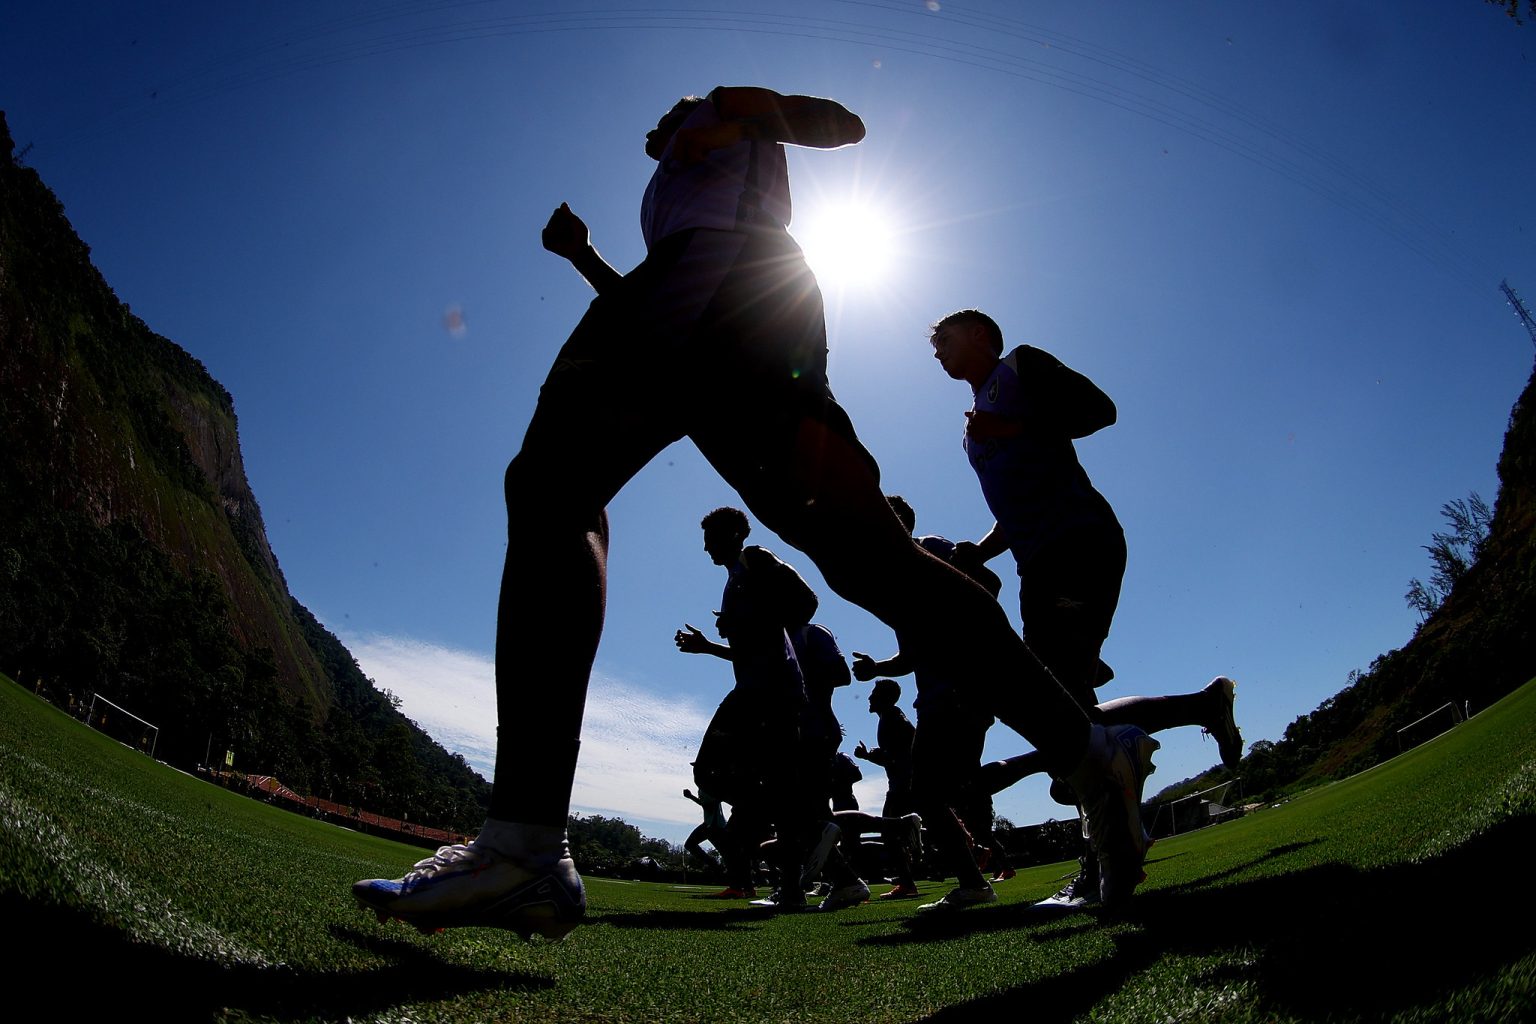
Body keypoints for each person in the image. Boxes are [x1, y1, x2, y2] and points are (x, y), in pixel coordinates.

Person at [352, 87, 1155, 939]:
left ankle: (523, 844)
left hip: (730, 283)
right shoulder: (686, 187)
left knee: (555, 488)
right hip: (734, 302)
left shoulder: (714, 113)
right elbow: (670, 326)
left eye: (667, 115)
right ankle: (1091, 753)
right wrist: (586, 259)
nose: (655, 127)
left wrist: (730, 117)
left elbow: (842, 125)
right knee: (870, 560)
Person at [925, 309, 1242, 908]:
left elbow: (1100, 411)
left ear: (981, 335)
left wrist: (1014, 427)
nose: (936, 351)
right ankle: (1201, 708)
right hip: (1037, 564)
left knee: (1060, 706)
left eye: (944, 338)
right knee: (1066, 705)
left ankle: (1101, 866)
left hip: (1078, 542)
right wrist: (980, 550)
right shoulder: (971, 426)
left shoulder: (1020, 366)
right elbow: (1018, 503)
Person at [675, 506, 867, 911]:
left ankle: (808, 827)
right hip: (758, 687)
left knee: (710, 769)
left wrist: (753, 618)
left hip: (771, 690)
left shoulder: (755, 558)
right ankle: (818, 883)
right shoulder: (734, 580)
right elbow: (752, 644)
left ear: (732, 535)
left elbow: (807, 601)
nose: (706, 547)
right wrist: (710, 644)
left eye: (710, 538)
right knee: (777, 785)